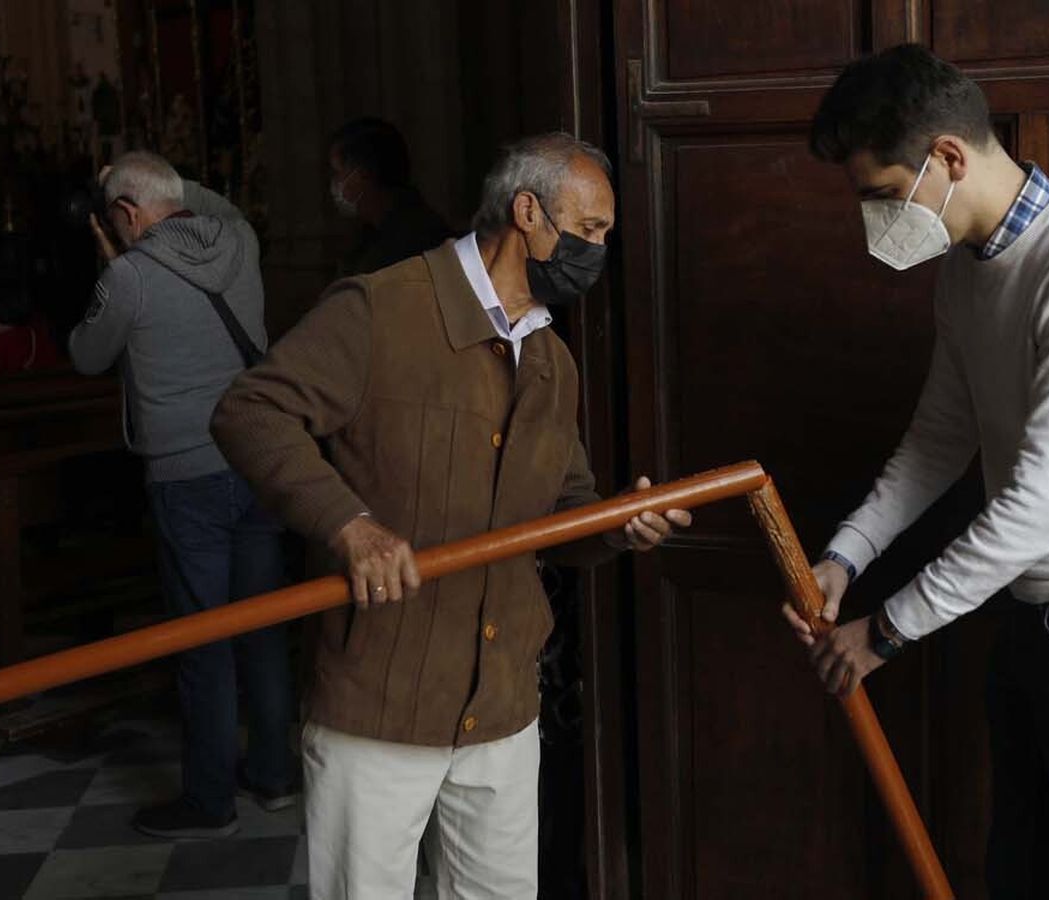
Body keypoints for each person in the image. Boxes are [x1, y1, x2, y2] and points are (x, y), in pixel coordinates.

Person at [782, 45, 1049, 900]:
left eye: (880, 195)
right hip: (1033, 608)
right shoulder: (964, 271)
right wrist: (845, 555)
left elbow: (1046, 508)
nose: (875, 222)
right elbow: (942, 438)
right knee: (1021, 875)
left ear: (948, 157)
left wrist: (882, 632)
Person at [212, 132, 690, 898]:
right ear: (528, 212)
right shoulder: (380, 308)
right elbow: (250, 410)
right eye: (592, 229)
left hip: (501, 704)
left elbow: (566, 511)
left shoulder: (550, 360)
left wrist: (618, 524)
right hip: (380, 705)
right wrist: (349, 524)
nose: (599, 250)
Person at [69, 151, 295, 839]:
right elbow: (211, 203)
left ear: (126, 215)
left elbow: (84, 354)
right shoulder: (241, 241)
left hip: (186, 476)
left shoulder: (130, 277)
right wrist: (158, 184)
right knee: (263, 625)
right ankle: (276, 775)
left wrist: (112, 261)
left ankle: (209, 798)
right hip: (256, 460)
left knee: (202, 638)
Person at [328, 117, 453, 274]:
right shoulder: (369, 236)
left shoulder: (412, 240)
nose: (335, 183)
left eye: (338, 172)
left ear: (363, 173)